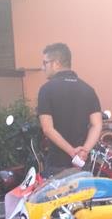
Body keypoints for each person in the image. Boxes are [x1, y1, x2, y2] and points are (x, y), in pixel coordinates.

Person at [37, 42, 102, 176]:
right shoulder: (88, 89)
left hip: (57, 165)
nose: (43, 67)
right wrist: (84, 151)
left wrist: (72, 152)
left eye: (45, 63)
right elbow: (97, 124)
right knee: (83, 189)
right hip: (82, 163)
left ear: (56, 63)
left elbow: (47, 129)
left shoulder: (46, 90)